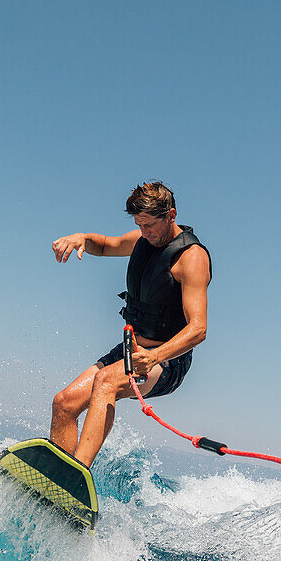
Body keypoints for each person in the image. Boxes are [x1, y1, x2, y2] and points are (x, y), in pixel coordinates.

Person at [50, 181, 211, 467]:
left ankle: (76, 475)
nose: (144, 232)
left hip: (167, 362)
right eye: (139, 224)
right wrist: (81, 238)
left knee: (106, 381)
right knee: (64, 403)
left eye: (149, 225)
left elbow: (198, 329)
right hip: (130, 351)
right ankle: (57, 476)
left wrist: (154, 357)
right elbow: (105, 245)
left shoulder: (192, 258)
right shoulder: (141, 240)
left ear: (171, 216)